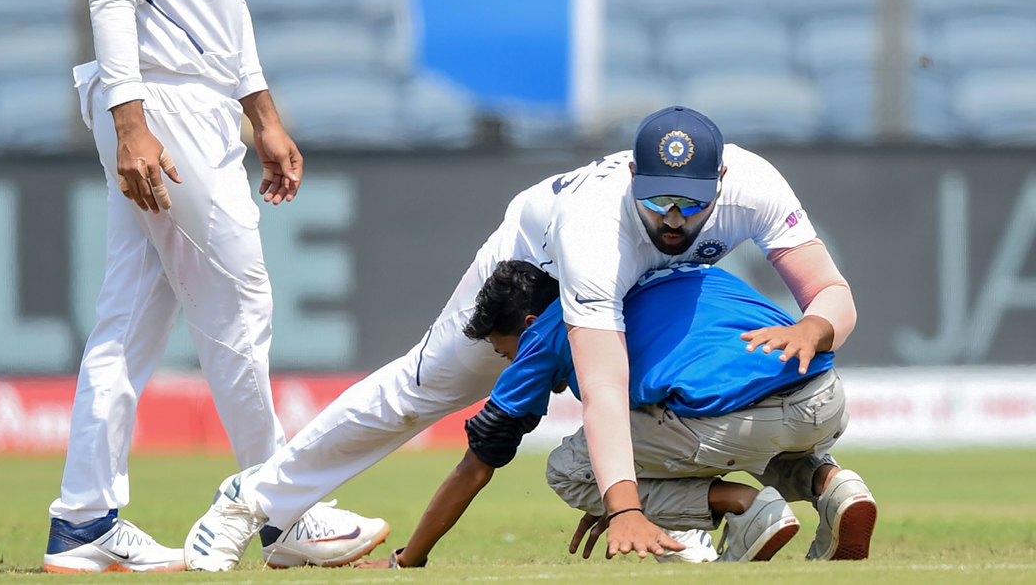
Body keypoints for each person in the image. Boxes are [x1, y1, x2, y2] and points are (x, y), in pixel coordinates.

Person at [181, 105, 860, 568]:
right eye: (658, 200)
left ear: (722, 183)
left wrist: (814, 324)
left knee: (704, 397)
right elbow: (601, 387)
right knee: (421, 392)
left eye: (691, 203)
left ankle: (724, 514)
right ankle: (252, 502)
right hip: (536, 269)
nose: (675, 219)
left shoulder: (757, 187)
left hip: (645, 293)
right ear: (631, 178)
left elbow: (831, 292)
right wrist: (623, 504)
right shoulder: (597, 230)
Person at [44, 0, 385, 574]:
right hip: (160, 107)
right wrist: (132, 126)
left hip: (193, 103)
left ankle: (83, 523)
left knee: (128, 324)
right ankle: (282, 512)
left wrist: (263, 114)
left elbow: (220, 12)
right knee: (241, 303)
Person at [358, 260, 874, 567]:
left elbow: (479, 462)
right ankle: (835, 487)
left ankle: (746, 506)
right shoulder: (660, 268)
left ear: (529, 323)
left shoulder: (551, 326)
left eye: (505, 351)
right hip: (823, 397)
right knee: (726, 415)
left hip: (736, 421)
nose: (511, 363)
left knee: (571, 468)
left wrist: (411, 557)